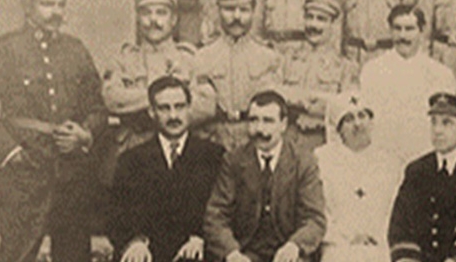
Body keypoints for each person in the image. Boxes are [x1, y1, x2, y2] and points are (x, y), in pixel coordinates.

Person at [0, 0, 106, 262]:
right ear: (28, 5)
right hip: (24, 174)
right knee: (18, 254)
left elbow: (97, 108)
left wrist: (85, 134)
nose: (56, 12)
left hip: (70, 174)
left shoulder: (76, 50)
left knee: (74, 255)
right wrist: (11, 152)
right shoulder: (4, 50)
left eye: (60, 4)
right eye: (47, 4)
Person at [109, 76, 225, 262]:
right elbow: (117, 215)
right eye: (164, 108)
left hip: (198, 252)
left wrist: (201, 238)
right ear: (152, 112)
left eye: (179, 107)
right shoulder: (131, 160)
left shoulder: (214, 156)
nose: (173, 116)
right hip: (148, 254)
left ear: (189, 108)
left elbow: (225, 213)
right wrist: (135, 242)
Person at [204, 90, 326, 262]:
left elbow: (314, 219)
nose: (260, 129)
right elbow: (215, 216)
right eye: (254, 120)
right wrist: (232, 253)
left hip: (289, 254)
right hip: (245, 253)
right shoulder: (234, 161)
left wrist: (294, 246)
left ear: (283, 125)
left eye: (268, 121)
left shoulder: (303, 162)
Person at [100, 0, 196, 185]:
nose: (153, 20)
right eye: (146, 13)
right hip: (132, 147)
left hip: (176, 151)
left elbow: (205, 104)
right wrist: (166, 99)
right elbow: (112, 99)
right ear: (137, 18)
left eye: (161, 13)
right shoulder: (124, 59)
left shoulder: (189, 59)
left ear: (173, 19)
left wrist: (138, 102)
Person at [388, 92, 456, 262]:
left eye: (446, 123)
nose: (437, 130)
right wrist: (407, 259)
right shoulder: (417, 171)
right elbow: (401, 226)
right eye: (434, 122)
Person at [360, 5, 456, 163]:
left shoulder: (440, 74)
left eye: (409, 29)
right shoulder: (372, 71)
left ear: (422, 31)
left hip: (424, 158)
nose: (403, 36)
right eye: (397, 28)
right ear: (390, 30)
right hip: (383, 159)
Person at [194, 0, 284, 152]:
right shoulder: (202, 56)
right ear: (218, 11)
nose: (237, 17)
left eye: (244, 10)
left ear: (253, 11)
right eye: (229, 9)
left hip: (255, 141)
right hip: (214, 141)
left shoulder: (269, 57)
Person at [316, 93, 403, 262]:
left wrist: (376, 235)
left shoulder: (390, 162)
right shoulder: (322, 160)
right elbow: (319, 211)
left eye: (362, 116)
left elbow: (396, 210)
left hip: (380, 245)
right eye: (348, 119)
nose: (357, 124)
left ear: (371, 121)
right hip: (338, 246)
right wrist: (347, 236)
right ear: (339, 129)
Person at [279, 0, 359, 152]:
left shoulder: (345, 67)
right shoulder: (287, 59)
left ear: (332, 24)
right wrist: (314, 101)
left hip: (323, 141)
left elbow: (345, 110)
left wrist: (296, 99)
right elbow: (275, 96)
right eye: (309, 17)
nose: (313, 25)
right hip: (287, 141)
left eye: (321, 19)